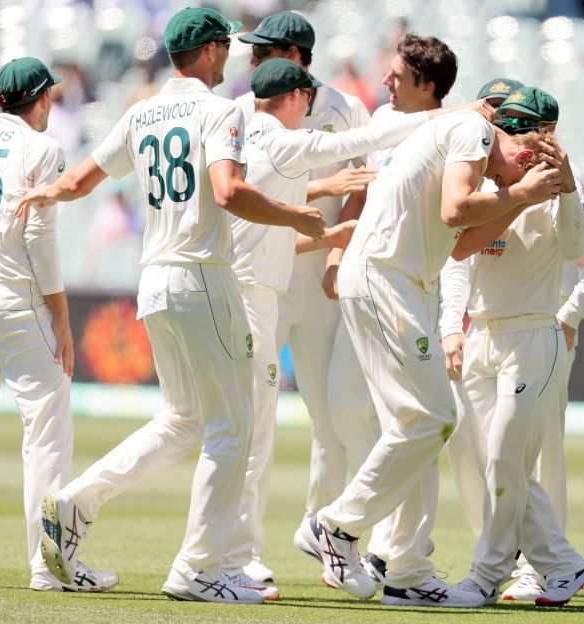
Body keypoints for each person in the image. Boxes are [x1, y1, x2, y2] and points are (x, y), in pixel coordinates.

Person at [18, 8, 324, 605]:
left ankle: (75, 503)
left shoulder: (142, 109)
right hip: (204, 278)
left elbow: (82, 180)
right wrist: (294, 215)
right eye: (225, 47)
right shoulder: (219, 111)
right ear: (208, 51)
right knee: (232, 428)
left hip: (153, 280)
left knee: (184, 419)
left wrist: (45, 192)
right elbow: (229, 192)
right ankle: (197, 568)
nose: (231, 55)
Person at [295, 107, 565, 607]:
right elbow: (456, 212)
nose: (497, 183)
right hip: (384, 278)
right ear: (523, 154)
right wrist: (522, 193)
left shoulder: (466, 140)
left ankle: (408, 571)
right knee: (435, 417)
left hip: (396, 282)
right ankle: (335, 525)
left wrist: (519, 200)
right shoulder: (473, 130)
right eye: (510, 177)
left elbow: (462, 246)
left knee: (417, 426)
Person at [222, 57, 440, 600]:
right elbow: (363, 140)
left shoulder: (242, 134)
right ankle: (224, 559)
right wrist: (454, 114)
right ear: (296, 95)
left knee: (330, 414)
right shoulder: (276, 138)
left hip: (256, 291)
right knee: (234, 430)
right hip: (253, 299)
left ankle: (322, 533)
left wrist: (323, 230)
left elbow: (272, 224)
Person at [442, 86, 584, 603]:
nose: (515, 140)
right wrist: (453, 324)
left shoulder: (567, 179)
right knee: (489, 459)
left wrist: (562, 191)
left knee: (508, 457)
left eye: (525, 129)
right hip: (482, 334)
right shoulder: (486, 169)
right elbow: (462, 255)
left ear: (547, 134)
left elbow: (579, 247)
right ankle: (560, 564)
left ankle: (487, 574)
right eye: (508, 127)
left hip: (532, 332)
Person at [0, 57, 116, 593]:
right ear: (40, 100)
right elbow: (40, 239)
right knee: (46, 438)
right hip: (18, 301)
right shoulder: (43, 149)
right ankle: (49, 565)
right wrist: (61, 316)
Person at [234, 11, 375, 584]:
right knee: (252, 416)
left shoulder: (345, 110)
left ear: (294, 55)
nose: (249, 61)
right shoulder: (244, 109)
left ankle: (325, 533)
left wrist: (339, 256)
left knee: (331, 414)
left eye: (261, 51)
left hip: (322, 274)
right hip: (264, 269)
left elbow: (364, 184)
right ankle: (242, 553)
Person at [323, 32, 460, 587]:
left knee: (419, 424)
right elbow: (361, 191)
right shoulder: (387, 121)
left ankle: (398, 557)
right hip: (377, 283)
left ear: (428, 86)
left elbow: (453, 215)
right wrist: (336, 250)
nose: (386, 83)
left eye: (399, 76)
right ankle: (396, 557)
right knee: (407, 422)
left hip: (411, 286)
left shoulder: (449, 133)